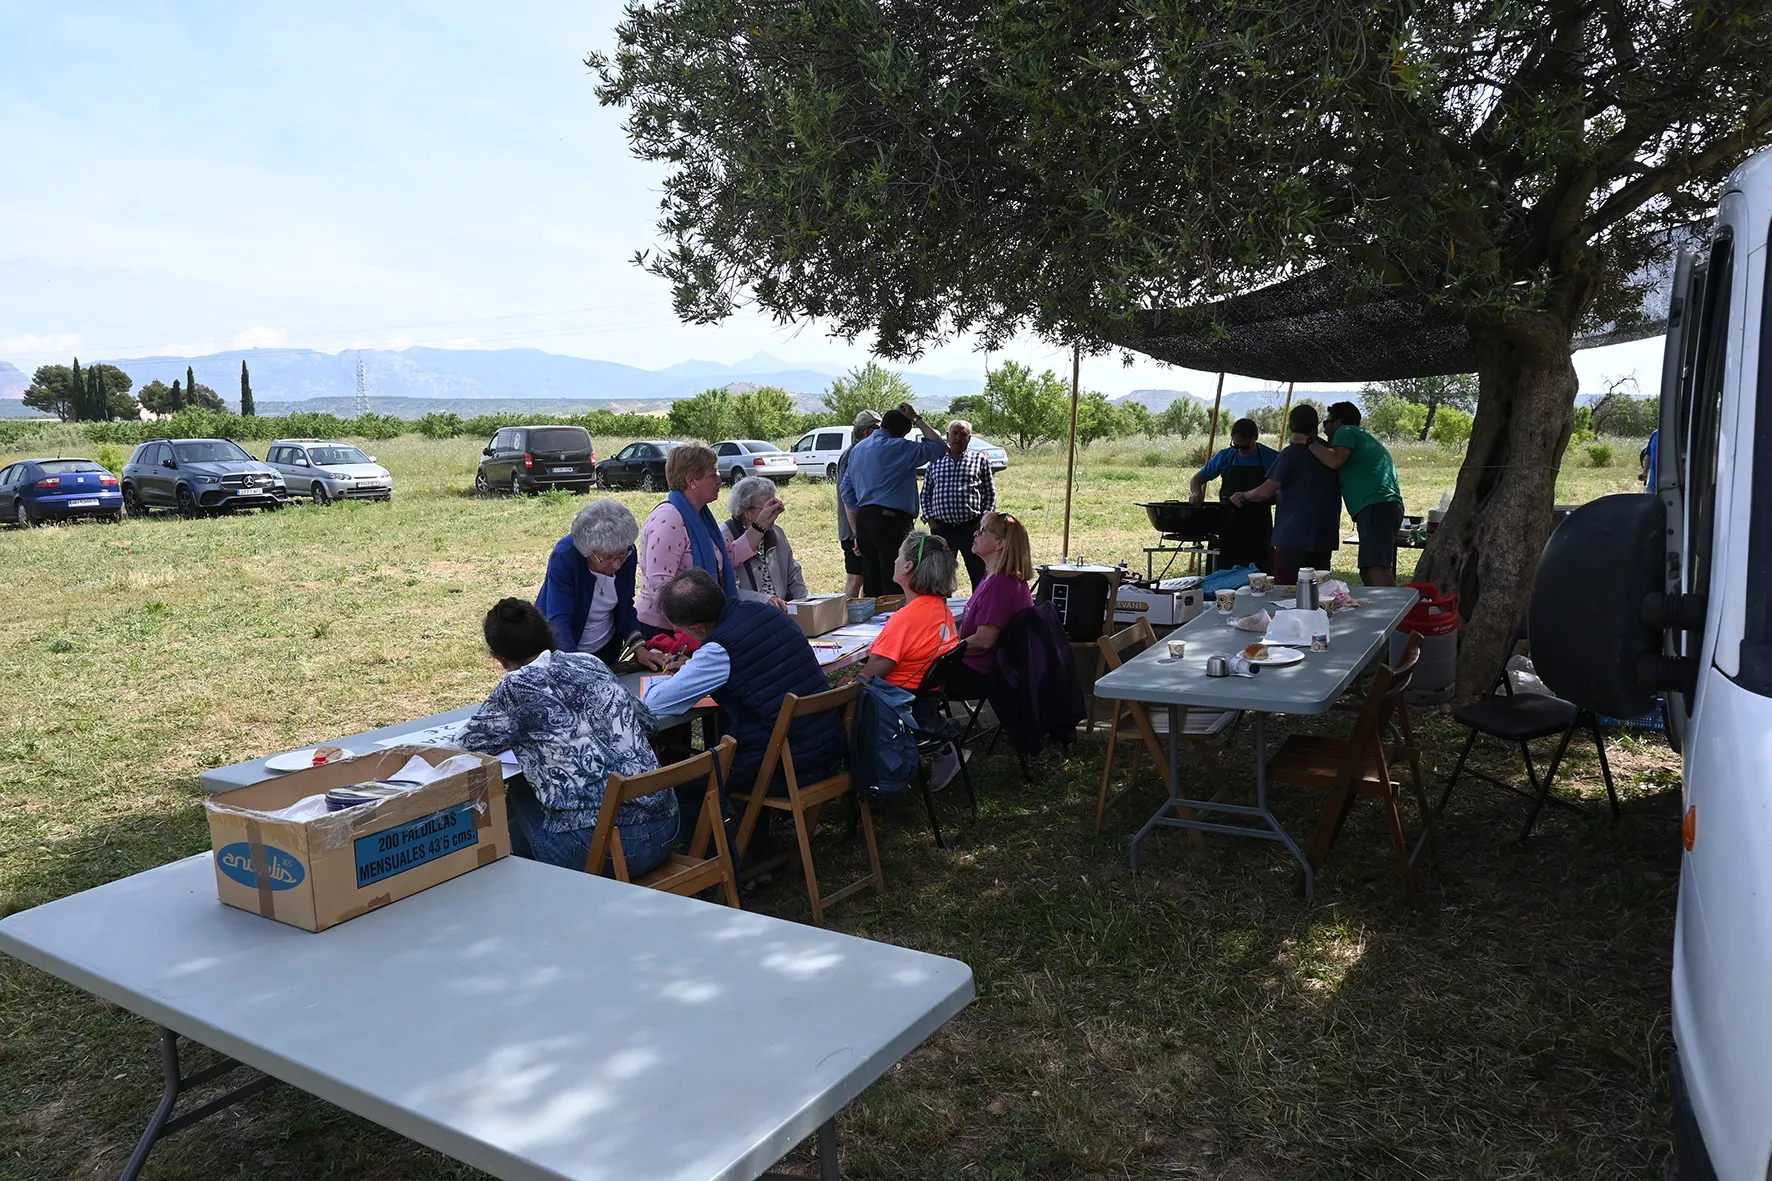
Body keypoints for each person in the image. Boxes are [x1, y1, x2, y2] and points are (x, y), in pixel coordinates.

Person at [456, 599, 678, 874]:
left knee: (521, 789)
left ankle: (533, 878)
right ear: (548, 634)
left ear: (499, 657)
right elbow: (647, 722)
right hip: (665, 830)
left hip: (600, 851)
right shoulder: (590, 662)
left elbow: (465, 746)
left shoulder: (515, 686)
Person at [642, 569, 845, 797]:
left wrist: (691, 671)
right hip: (825, 745)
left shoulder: (720, 649)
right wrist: (694, 666)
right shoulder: (766, 612)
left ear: (698, 628)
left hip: (785, 764)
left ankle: (728, 821)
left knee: (675, 792)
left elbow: (655, 702)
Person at [636, 442, 781, 636]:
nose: (720, 481)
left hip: (694, 626)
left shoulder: (700, 516)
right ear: (691, 480)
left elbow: (728, 556)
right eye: (713, 475)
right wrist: (693, 632)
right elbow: (660, 587)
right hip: (668, 631)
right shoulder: (669, 518)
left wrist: (761, 523)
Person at [535, 499, 668, 670]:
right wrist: (572, 668)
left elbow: (625, 605)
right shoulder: (565, 556)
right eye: (608, 558)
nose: (617, 565)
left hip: (604, 648)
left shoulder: (627, 551)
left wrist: (640, 649)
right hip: (566, 647)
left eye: (621, 555)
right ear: (587, 551)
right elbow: (558, 621)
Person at [840, 401, 948, 596]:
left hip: (864, 521)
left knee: (872, 583)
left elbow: (846, 490)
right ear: (903, 433)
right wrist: (916, 418)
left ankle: (875, 616)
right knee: (897, 581)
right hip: (892, 521)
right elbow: (940, 447)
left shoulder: (857, 449)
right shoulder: (901, 447)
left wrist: (857, 531)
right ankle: (896, 615)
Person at [1231, 405, 1342, 585]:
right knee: (1319, 589)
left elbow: (1266, 491)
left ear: (1291, 427)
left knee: (1287, 590)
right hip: (1324, 534)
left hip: (1293, 536)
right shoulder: (1331, 453)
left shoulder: (1290, 453)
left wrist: (1243, 496)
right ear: (1317, 425)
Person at [1303, 401, 1406, 586]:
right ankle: (1382, 604)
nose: (1324, 429)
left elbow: (1334, 460)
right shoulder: (1362, 436)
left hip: (1376, 506)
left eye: (1326, 423)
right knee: (1368, 570)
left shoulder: (1346, 431)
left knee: (1376, 569)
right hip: (1382, 507)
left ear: (1338, 422)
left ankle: (1395, 605)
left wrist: (1308, 441)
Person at [948, 510, 1034, 700]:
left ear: (1000, 543)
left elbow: (984, 641)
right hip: (975, 667)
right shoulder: (993, 577)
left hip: (980, 673)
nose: (975, 533)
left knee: (908, 675)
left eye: (983, 530)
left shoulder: (1002, 584)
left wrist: (946, 652)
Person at [859, 532, 961, 690]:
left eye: (899, 555)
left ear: (908, 566)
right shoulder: (941, 607)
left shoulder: (906, 619)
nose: (895, 561)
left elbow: (868, 675)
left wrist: (851, 684)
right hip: (925, 697)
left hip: (893, 698)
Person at [1189, 417, 1278, 572]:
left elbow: (1284, 489)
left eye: (1245, 447)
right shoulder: (1225, 456)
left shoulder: (1272, 458)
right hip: (1227, 523)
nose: (1240, 451)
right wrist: (1196, 492)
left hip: (1258, 525)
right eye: (1235, 446)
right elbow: (1197, 479)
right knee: (1224, 571)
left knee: (1260, 573)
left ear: (1255, 438)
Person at [920, 417, 997, 591]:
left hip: (972, 528)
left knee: (979, 575)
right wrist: (930, 519)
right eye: (954, 433)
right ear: (947, 436)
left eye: (963, 434)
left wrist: (984, 521)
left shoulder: (979, 460)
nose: (958, 438)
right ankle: (941, 607)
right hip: (942, 529)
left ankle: (979, 605)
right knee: (941, 576)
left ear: (969, 438)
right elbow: (925, 493)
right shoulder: (936, 461)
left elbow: (989, 493)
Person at [724, 475, 807, 603]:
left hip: (781, 608)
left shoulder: (776, 533)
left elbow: (793, 574)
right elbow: (728, 589)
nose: (773, 513)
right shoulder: (726, 536)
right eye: (766, 508)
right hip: (747, 610)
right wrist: (765, 600)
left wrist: (805, 602)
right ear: (746, 512)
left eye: (774, 506)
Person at [837, 409, 881, 599]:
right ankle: (844, 613)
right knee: (856, 577)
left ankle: (864, 613)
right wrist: (857, 534)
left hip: (861, 528)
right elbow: (848, 496)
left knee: (868, 577)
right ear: (867, 432)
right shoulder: (854, 454)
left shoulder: (862, 452)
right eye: (878, 430)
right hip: (853, 529)